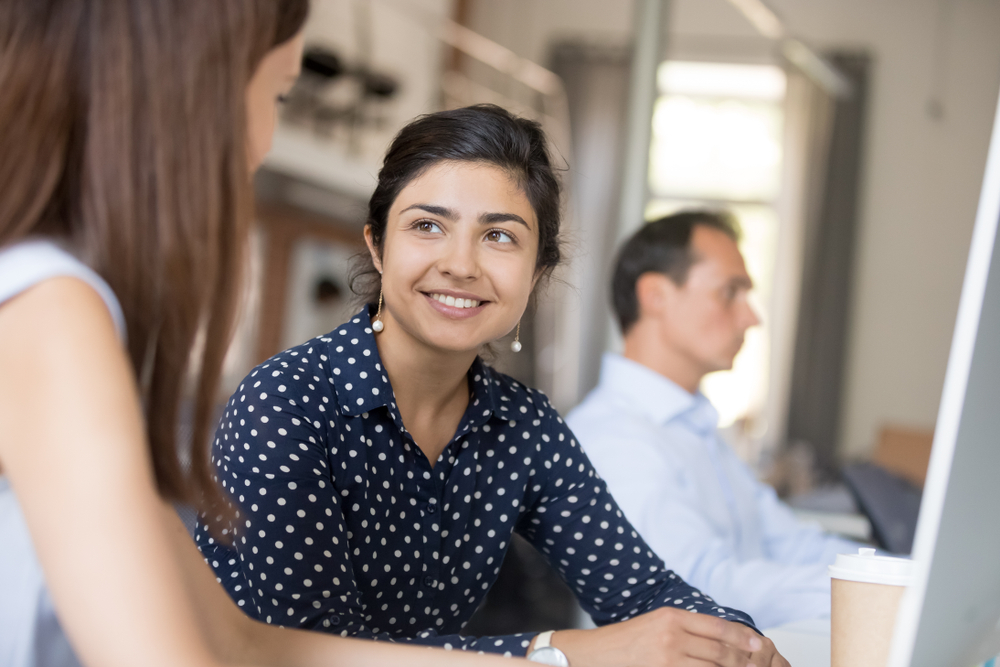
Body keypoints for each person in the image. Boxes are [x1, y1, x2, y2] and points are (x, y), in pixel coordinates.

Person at [0, 3, 515, 666]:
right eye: (275, 93)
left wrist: (539, 658)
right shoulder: (52, 313)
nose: (264, 140)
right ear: (189, 97)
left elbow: (239, 639)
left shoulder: (53, 301)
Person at [195, 105, 790, 667]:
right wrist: (564, 650)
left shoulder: (522, 426)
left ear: (537, 273)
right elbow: (310, 650)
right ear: (377, 245)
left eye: (499, 236)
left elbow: (642, 591)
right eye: (428, 226)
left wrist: (741, 645)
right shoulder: (286, 403)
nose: (461, 264)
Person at [566, 211, 863, 630]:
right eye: (731, 292)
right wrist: (876, 591)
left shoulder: (697, 427)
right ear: (655, 295)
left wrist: (900, 574)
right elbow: (698, 586)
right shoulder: (612, 437)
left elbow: (787, 541)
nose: (752, 317)